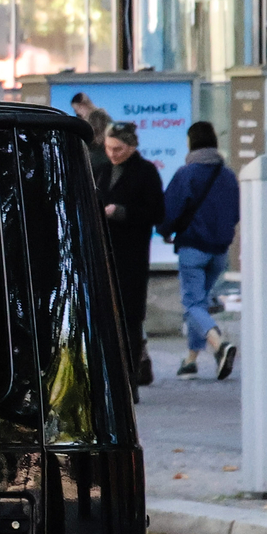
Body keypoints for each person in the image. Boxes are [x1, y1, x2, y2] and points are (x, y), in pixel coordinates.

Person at [161, 120, 239, 380]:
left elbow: (169, 209)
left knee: (192, 304)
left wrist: (165, 231)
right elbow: (235, 212)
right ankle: (191, 360)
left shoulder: (187, 174)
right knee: (200, 303)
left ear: (190, 142)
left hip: (193, 247)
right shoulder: (228, 175)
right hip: (219, 251)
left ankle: (219, 345)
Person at [97, 121, 164, 390]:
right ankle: (110, 377)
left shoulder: (146, 172)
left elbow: (156, 213)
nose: (112, 153)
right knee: (105, 317)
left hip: (132, 256)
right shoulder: (102, 170)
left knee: (130, 319)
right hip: (104, 254)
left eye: (118, 149)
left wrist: (122, 212)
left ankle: (129, 380)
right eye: (108, 148)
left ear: (132, 147)